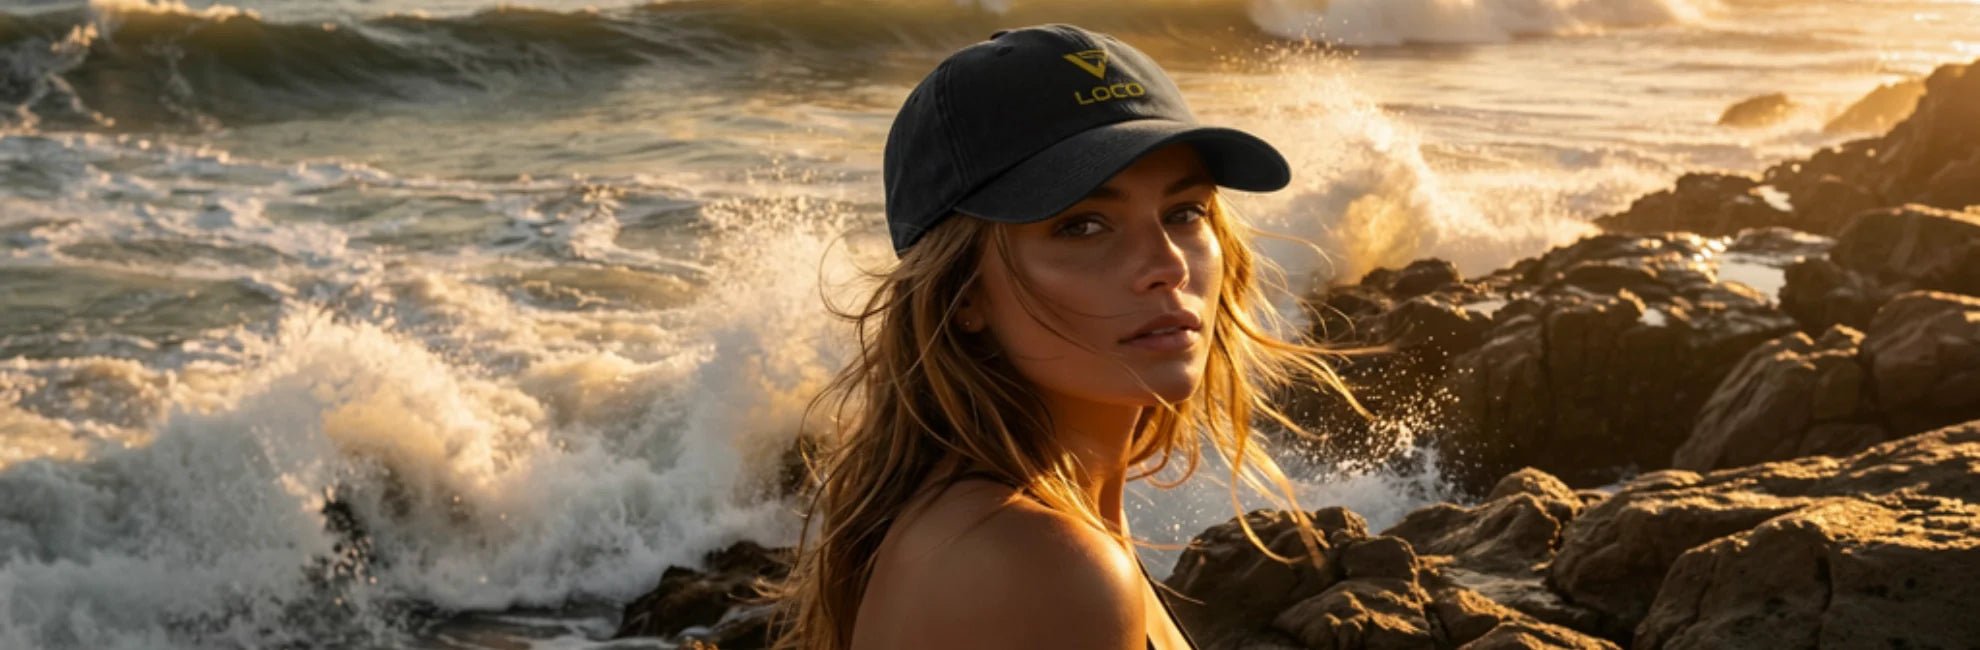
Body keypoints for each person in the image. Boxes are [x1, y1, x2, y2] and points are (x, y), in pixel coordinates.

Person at [769, 23, 1368, 650]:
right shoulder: (1039, 563)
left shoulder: (1002, 523)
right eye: (1083, 225)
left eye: (1184, 212)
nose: (1167, 264)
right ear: (963, 293)